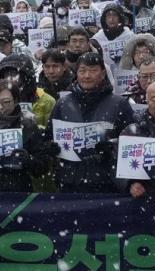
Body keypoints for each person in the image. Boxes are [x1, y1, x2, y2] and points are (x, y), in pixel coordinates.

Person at [47, 52, 134, 193]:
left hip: (107, 183)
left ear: (103, 73)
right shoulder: (62, 104)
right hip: (69, 182)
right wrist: (51, 148)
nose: (87, 76)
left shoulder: (119, 104)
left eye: (93, 70)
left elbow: (131, 142)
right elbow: (48, 137)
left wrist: (112, 148)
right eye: (82, 70)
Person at [0, 54, 56, 128]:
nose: (9, 78)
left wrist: (33, 127)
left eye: (14, 74)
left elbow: (50, 132)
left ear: (25, 76)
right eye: (7, 74)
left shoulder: (47, 101)